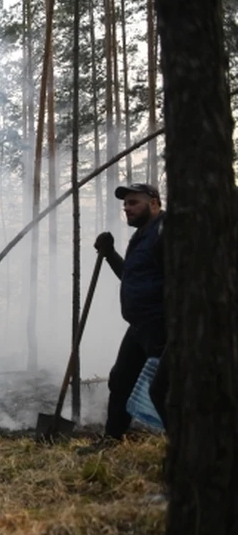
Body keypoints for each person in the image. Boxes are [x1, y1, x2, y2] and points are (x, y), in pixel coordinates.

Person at [81, 182, 167, 453]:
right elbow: (132, 276)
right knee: (121, 380)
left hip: (160, 325)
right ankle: (112, 438)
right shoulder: (142, 235)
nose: (127, 209)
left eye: (134, 203)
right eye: (125, 204)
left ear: (153, 203)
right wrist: (109, 254)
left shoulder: (164, 232)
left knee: (165, 389)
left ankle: (185, 449)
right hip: (139, 326)